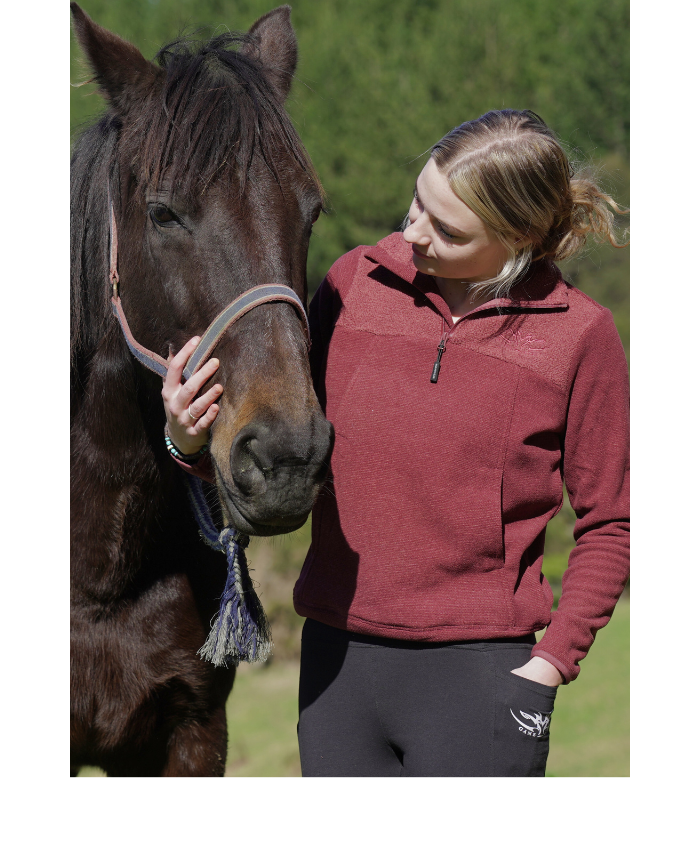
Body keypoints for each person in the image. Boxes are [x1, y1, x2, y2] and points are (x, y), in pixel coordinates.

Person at [163, 109, 630, 777]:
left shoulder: (579, 336)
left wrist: (550, 663)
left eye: (445, 229)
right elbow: (283, 460)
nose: (412, 231)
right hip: (336, 667)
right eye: (418, 203)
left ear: (519, 236)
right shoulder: (354, 284)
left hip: (482, 677)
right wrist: (186, 439)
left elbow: (613, 521)